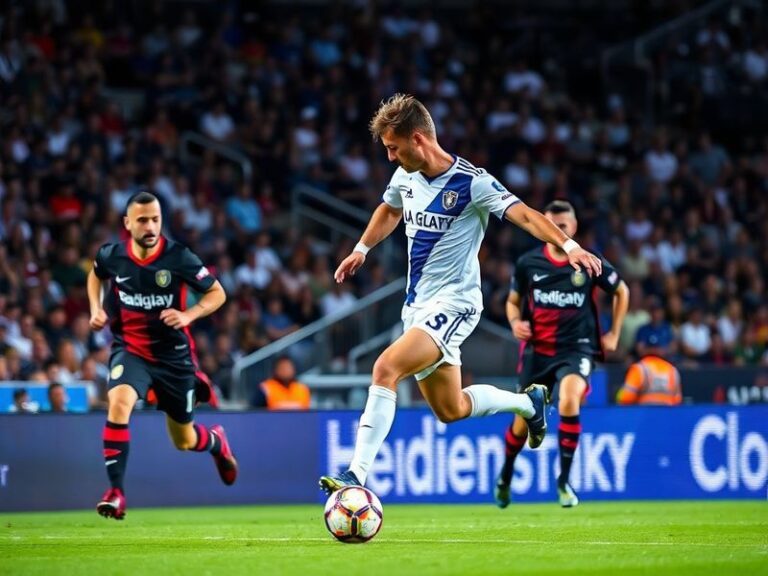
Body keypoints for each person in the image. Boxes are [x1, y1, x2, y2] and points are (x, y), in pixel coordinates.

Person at [319, 94, 602, 495]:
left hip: (456, 304)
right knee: (450, 410)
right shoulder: (405, 175)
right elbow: (390, 209)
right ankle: (528, 405)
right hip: (416, 306)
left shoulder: (473, 182)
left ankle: (355, 476)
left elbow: (525, 215)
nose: (389, 158)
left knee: (385, 368)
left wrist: (569, 246)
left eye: (393, 148)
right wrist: (361, 249)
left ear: (418, 139)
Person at [87, 190, 236, 521]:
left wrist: (188, 315)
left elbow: (217, 293)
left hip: (173, 359)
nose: (150, 226)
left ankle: (216, 442)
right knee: (119, 403)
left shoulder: (178, 257)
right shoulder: (112, 255)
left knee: (183, 440)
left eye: (155, 219)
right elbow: (95, 275)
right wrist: (96, 308)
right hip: (131, 350)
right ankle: (116, 492)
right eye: (142, 220)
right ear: (128, 223)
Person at [494, 200, 629, 509]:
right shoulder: (529, 263)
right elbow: (513, 302)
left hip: (576, 348)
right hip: (538, 351)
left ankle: (564, 482)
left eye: (564, 226)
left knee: (569, 399)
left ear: (574, 228)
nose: (559, 231)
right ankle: (505, 475)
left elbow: (622, 291)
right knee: (521, 424)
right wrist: (515, 322)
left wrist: (614, 333)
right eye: (553, 225)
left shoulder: (589, 261)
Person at [616, 351, 682, 405]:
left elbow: (626, 398)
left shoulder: (639, 369)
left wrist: (618, 394)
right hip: (667, 418)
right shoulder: (672, 370)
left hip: (643, 417)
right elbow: (677, 401)